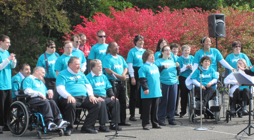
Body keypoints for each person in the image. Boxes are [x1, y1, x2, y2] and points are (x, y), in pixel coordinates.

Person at [56, 57, 106, 135]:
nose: (79, 66)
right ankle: (69, 127)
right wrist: (68, 96)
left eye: (79, 64)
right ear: (70, 65)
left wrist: (91, 96)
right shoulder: (62, 74)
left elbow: (88, 85)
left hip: (83, 97)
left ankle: (87, 126)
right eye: (76, 64)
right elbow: (59, 88)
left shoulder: (81, 74)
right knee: (71, 104)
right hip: (69, 97)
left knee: (96, 103)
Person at [22, 67, 68, 131]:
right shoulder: (29, 79)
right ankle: (49, 122)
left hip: (42, 99)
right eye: (43, 73)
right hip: (32, 99)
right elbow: (27, 91)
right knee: (46, 102)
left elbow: (45, 91)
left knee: (52, 102)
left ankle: (59, 121)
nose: (44, 75)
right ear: (36, 71)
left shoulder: (41, 81)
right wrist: (38, 93)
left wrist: (49, 91)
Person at [86, 59, 122, 131]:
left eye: (101, 66)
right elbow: (88, 91)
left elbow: (109, 88)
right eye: (98, 66)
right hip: (95, 98)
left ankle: (114, 123)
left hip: (105, 97)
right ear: (92, 68)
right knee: (102, 102)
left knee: (115, 101)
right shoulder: (88, 77)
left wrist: (112, 95)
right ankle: (102, 125)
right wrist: (97, 97)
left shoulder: (103, 76)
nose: (100, 68)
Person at [103, 42, 130, 126]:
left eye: (117, 46)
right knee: (114, 102)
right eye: (115, 46)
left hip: (121, 82)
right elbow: (108, 70)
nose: (117, 48)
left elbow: (126, 67)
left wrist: (123, 75)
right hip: (112, 82)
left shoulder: (120, 58)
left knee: (122, 102)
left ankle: (123, 120)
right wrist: (120, 76)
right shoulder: (107, 58)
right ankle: (115, 121)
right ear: (110, 48)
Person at [138, 49, 162, 130]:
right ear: (146, 57)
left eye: (153, 56)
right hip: (148, 92)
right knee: (147, 109)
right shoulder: (143, 67)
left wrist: (160, 88)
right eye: (150, 56)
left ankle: (155, 122)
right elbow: (142, 79)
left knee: (155, 108)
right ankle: (146, 123)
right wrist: (145, 88)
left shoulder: (155, 66)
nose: (153, 57)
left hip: (156, 91)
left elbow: (158, 79)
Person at [155, 45, 179, 125]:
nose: (168, 52)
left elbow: (177, 73)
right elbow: (155, 72)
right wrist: (161, 67)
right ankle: (161, 118)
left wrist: (178, 68)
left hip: (173, 82)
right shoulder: (158, 61)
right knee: (163, 101)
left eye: (169, 50)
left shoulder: (172, 61)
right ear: (162, 52)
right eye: (166, 50)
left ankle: (171, 118)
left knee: (172, 101)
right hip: (163, 83)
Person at [126, 35, 145, 121]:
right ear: (136, 42)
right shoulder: (132, 51)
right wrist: (132, 76)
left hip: (144, 72)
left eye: (142, 41)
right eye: (139, 41)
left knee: (143, 93)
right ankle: (132, 114)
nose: (141, 42)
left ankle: (143, 113)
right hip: (135, 72)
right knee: (134, 94)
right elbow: (130, 65)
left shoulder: (145, 51)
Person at [0, 34, 17, 134]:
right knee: (0, 107)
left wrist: (13, 61)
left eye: (9, 43)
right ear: (1, 42)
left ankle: (7, 124)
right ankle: (0, 125)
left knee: (8, 105)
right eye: (7, 42)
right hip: (0, 84)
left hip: (8, 83)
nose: (9, 44)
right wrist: (8, 60)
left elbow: (13, 66)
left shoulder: (7, 53)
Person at [177, 45, 194, 118]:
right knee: (184, 94)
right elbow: (178, 71)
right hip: (183, 77)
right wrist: (185, 68)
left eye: (188, 50)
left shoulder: (192, 58)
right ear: (182, 51)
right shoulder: (179, 59)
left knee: (193, 93)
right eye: (185, 50)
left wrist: (191, 67)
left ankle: (194, 109)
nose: (187, 52)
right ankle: (183, 111)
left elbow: (196, 68)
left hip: (191, 77)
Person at [170, 43, 180, 116]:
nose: (175, 50)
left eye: (176, 49)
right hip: (173, 78)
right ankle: (171, 111)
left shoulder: (179, 58)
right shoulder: (171, 57)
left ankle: (175, 110)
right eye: (173, 49)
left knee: (177, 96)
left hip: (179, 78)